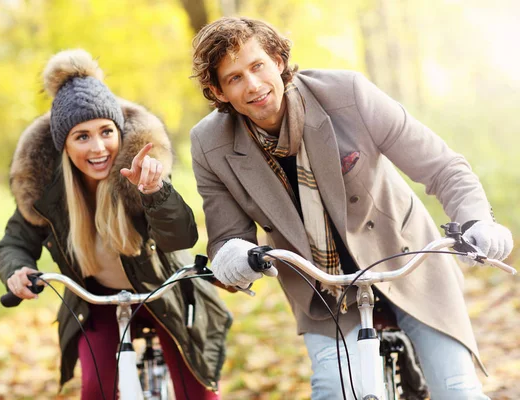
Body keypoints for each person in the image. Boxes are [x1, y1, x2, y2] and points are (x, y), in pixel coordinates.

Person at [189, 16, 513, 400]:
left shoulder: (348, 94)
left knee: (455, 390)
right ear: (218, 91)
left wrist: (477, 220)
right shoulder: (209, 144)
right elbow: (228, 235)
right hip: (324, 293)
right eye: (235, 77)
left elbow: (442, 167)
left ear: (277, 60)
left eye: (257, 66)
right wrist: (234, 254)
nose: (254, 85)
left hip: (407, 262)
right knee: (333, 391)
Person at [0, 49, 231, 400]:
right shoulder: (48, 195)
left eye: (106, 131)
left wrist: (155, 193)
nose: (98, 147)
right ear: (65, 146)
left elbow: (179, 235)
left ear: (119, 133)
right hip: (98, 301)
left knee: (195, 389)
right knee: (95, 390)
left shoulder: (140, 176)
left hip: (163, 291)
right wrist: (18, 270)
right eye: (82, 136)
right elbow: (13, 243)